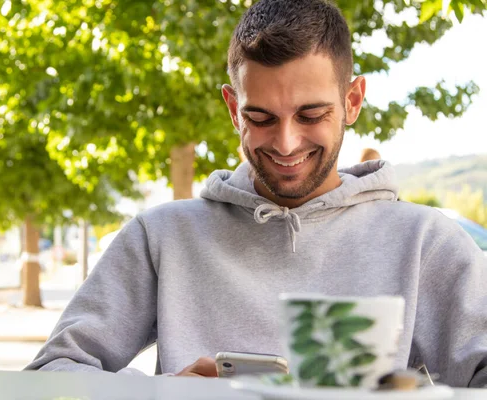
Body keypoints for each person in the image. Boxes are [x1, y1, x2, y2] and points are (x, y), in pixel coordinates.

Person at [26, 0, 487, 387]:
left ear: (352, 101)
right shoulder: (162, 236)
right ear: (233, 108)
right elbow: (50, 375)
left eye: (310, 115)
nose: (286, 144)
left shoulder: (426, 242)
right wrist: (165, 394)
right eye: (262, 118)